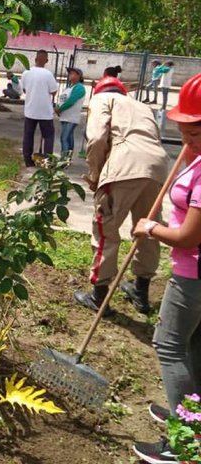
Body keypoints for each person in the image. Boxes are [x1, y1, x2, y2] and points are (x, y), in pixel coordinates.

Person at [133, 75, 201, 464]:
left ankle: (184, 443)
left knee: (169, 345)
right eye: (183, 132)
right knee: (195, 346)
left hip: (192, 274)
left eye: (193, 133)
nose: (185, 140)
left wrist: (151, 227)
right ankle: (192, 416)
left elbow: (189, 237)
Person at [75, 74, 169, 316]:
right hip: (157, 167)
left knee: (106, 229)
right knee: (147, 228)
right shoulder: (142, 106)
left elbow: (96, 139)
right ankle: (141, 292)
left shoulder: (101, 100)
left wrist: (95, 176)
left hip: (124, 165)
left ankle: (99, 295)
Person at [20, 50, 59, 166]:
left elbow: (24, 90)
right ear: (46, 61)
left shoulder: (26, 72)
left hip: (30, 110)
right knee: (48, 136)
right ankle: (46, 161)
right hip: (45, 112)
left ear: (35, 59)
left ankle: (27, 160)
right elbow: (53, 91)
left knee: (28, 135)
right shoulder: (48, 74)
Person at [57, 65, 87, 158]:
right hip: (65, 116)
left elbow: (71, 101)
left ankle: (64, 159)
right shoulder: (69, 87)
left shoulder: (79, 88)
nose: (70, 74)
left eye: (73, 73)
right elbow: (62, 100)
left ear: (79, 76)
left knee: (64, 138)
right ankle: (68, 158)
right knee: (69, 137)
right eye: (70, 73)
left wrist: (60, 109)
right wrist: (58, 107)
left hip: (71, 117)